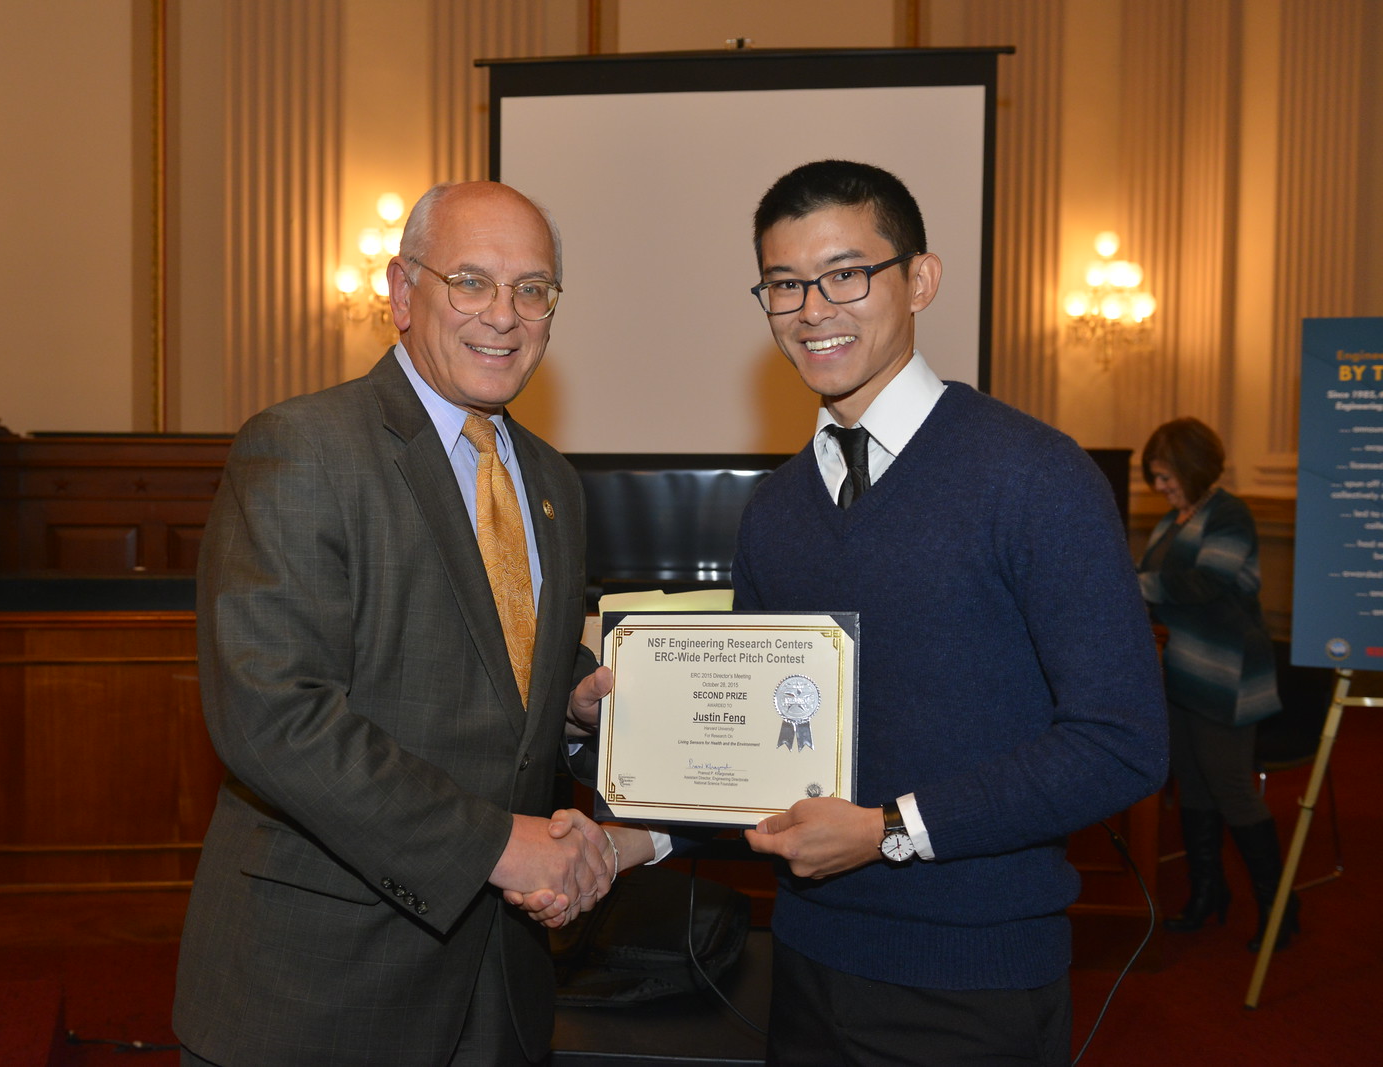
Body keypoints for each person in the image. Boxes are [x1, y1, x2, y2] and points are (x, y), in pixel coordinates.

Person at [173, 181, 637, 1066]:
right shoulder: (304, 446)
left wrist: (574, 698)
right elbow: (274, 716)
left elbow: (503, 663)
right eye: (470, 281)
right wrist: (498, 843)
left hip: (501, 983)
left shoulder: (553, 483)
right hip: (325, 983)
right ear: (399, 292)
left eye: (532, 289)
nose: (504, 315)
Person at [731, 159, 1169, 1066]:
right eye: (784, 284)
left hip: (976, 984)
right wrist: (619, 772)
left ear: (919, 279)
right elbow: (751, 737)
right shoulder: (773, 506)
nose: (813, 308)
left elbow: (1122, 741)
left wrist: (890, 829)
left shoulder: (1036, 477)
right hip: (804, 962)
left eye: (846, 273)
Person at [1138, 416, 1292, 952]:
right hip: (1180, 674)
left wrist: (1131, 582)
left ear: (1192, 465)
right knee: (1194, 787)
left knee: (1230, 787)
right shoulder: (1173, 520)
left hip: (1226, 677)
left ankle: (1280, 911)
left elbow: (1205, 583)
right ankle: (1208, 895)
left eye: (1165, 474)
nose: (1160, 487)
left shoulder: (1229, 513)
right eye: (1154, 477)